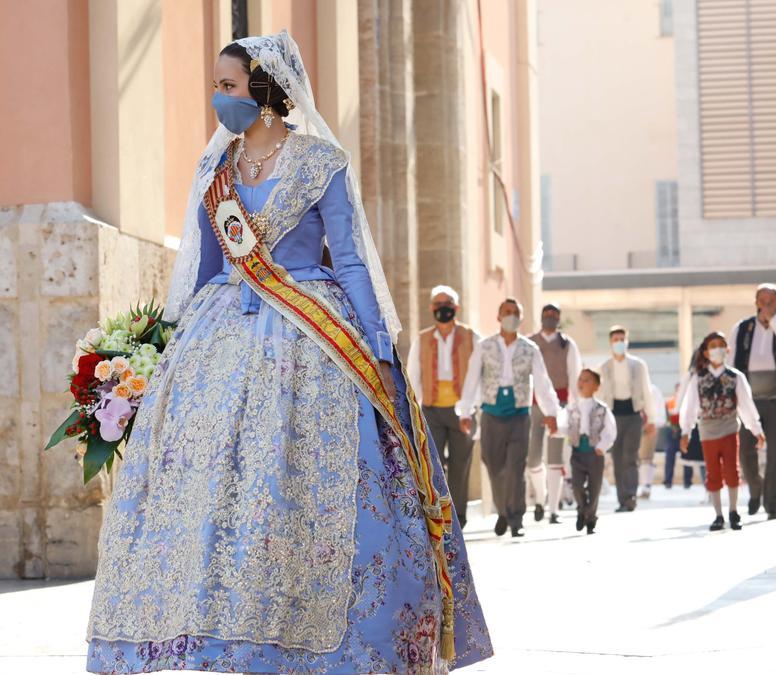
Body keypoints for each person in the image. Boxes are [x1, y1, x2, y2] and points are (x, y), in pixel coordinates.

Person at [85, 32, 493, 673]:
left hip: (310, 335)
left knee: (302, 480)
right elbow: (205, 268)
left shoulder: (320, 162)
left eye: (228, 86)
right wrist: (166, 348)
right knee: (213, 488)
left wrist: (378, 345)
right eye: (216, 87)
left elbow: (351, 261)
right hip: (219, 334)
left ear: (265, 91)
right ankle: (213, 633)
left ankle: (329, 637)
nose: (218, 99)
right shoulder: (215, 171)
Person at [458, 298, 560, 538]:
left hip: (519, 413)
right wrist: (465, 411)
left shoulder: (530, 349)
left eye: (515, 312)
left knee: (516, 466)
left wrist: (551, 412)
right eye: (507, 312)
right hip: (491, 412)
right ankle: (503, 510)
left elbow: (543, 383)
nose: (511, 316)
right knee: (493, 464)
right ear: (498, 316)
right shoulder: (484, 346)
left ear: (521, 318)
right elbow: (472, 379)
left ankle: (516, 518)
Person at [728, 284, 776, 520]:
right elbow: (732, 364)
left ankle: (772, 503)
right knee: (745, 449)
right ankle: (756, 487)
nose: (766, 305)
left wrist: (774, 320)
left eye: (771, 301)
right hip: (750, 399)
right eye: (762, 301)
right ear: (756, 303)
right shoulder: (742, 328)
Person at [407, 285, 480, 529]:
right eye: (438, 304)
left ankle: (459, 517)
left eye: (447, 304)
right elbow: (413, 376)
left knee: (461, 464)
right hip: (432, 410)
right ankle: (439, 515)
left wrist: (470, 407)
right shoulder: (422, 339)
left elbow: (478, 376)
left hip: (463, 410)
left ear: (456, 307)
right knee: (434, 464)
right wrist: (414, 410)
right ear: (431, 308)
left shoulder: (472, 337)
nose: (442, 308)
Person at [679, 332, 765, 531]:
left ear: (727, 350)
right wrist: (686, 431)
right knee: (713, 472)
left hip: (729, 429)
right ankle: (718, 515)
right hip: (707, 431)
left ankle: (733, 511)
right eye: (713, 346)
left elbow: (746, 405)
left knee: (732, 470)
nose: (717, 349)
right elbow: (690, 406)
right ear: (706, 353)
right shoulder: (698, 378)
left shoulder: (735, 377)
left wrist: (756, 429)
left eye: (721, 345)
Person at [528, 303, 582, 524]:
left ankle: (553, 510)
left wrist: (575, 408)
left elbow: (575, 376)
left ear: (558, 318)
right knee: (533, 456)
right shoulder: (530, 343)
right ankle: (540, 500)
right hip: (533, 404)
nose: (550, 317)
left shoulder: (568, 344)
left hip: (560, 404)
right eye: (546, 314)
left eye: (554, 315)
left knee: (555, 456)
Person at [598, 326, 657, 512]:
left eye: (622, 339)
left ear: (627, 341)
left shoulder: (638, 365)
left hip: (633, 414)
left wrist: (651, 419)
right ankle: (622, 498)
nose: (619, 343)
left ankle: (631, 496)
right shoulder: (604, 367)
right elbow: (600, 395)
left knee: (630, 456)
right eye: (616, 339)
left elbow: (646, 391)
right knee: (617, 457)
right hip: (613, 415)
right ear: (610, 342)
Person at [557, 369, 617, 535]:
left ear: (596, 386)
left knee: (594, 487)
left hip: (595, 453)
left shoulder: (602, 409)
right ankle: (582, 509)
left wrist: (602, 446)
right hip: (577, 451)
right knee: (577, 485)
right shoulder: (571, 408)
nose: (582, 383)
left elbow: (610, 430)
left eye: (587, 380)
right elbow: (563, 426)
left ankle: (591, 518)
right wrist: (557, 430)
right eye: (580, 379)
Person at [638, 382, 665, 500]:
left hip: (650, 426)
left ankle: (646, 487)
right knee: (637, 458)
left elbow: (659, 409)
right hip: (634, 426)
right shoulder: (634, 389)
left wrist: (654, 424)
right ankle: (641, 485)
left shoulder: (653, 390)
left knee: (646, 457)